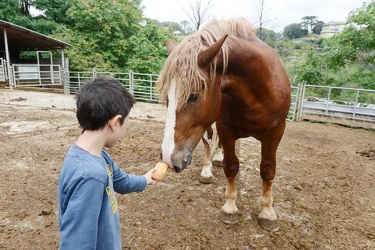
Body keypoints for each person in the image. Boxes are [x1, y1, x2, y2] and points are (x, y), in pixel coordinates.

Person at [58, 76, 157, 249]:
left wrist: (145, 179)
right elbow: (76, 244)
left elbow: (121, 181)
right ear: (115, 122)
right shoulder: (90, 176)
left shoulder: (97, 155)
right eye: (125, 123)